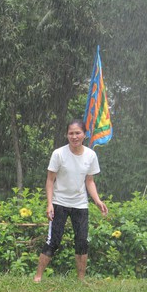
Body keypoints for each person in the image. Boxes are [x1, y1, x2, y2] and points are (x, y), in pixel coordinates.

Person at [34, 120, 108, 282]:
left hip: (80, 204)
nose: (74, 137)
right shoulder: (59, 154)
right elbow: (49, 180)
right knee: (53, 240)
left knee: (82, 241)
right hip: (59, 203)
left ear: (84, 135)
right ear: (67, 135)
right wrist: (49, 204)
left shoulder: (91, 155)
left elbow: (90, 181)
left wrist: (97, 201)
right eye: (71, 133)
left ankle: (81, 279)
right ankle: (38, 276)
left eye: (78, 133)